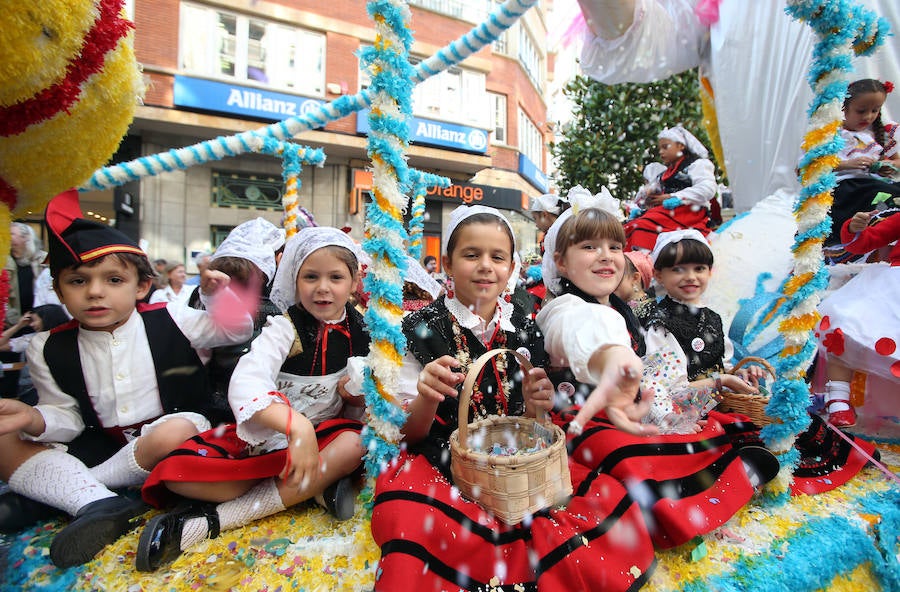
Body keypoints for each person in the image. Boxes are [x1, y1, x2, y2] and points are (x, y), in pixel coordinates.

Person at [371, 204, 657, 592]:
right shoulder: (419, 329)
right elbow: (409, 435)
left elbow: (533, 418)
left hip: (516, 461)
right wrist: (425, 395)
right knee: (416, 517)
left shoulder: (524, 327)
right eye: (471, 255)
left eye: (498, 257)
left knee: (596, 499)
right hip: (443, 458)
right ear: (447, 263)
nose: (486, 266)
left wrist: (539, 403)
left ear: (512, 267)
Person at [0, 189, 254, 567]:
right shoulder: (46, 347)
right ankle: (98, 503)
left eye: (113, 280)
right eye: (78, 281)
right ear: (58, 291)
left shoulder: (172, 317)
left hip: (176, 431)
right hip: (99, 441)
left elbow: (235, 331)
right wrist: (32, 418)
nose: (96, 292)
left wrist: (219, 297)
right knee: (6, 438)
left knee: (173, 432)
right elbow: (66, 417)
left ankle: (76, 488)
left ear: (140, 286)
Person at [136, 227, 371, 572]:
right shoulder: (284, 327)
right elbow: (248, 379)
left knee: (354, 444)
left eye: (335, 277)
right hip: (268, 438)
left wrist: (355, 393)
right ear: (294, 278)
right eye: (311, 276)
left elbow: (362, 399)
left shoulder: (363, 331)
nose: (323, 287)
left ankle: (212, 521)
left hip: (326, 439)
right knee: (177, 477)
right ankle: (315, 490)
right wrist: (294, 425)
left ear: (353, 283)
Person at [644, 230, 765, 384]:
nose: (690, 277)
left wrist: (741, 374)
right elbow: (669, 390)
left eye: (699, 269)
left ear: (709, 272)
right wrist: (723, 381)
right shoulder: (660, 325)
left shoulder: (712, 317)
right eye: (678, 269)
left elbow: (722, 367)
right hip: (684, 408)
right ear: (659, 275)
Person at [818, 208, 900, 427]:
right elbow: (864, 243)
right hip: (892, 286)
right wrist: (855, 229)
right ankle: (838, 399)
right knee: (846, 324)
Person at [825, 79, 900, 250]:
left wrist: (887, 165)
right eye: (861, 111)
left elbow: (897, 161)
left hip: (872, 183)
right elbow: (807, 168)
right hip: (846, 188)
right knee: (881, 194)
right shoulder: (831, 135)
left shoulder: (878, 133)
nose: (868, 116)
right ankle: (865, 239)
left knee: (890, 191)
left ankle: (890, 238)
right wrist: (847, 164)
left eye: (875, 110)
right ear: (844, 108)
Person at [624, 126, 717, 251]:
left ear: (681, 146)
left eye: (665, 147)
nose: (661, 152)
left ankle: (644, 261)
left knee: (640, 225)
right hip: (669, 214)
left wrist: (674, 197)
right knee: (631, 225)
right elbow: (649, 192)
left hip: (689, 214)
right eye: (660, 149)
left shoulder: (697, 165)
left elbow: (707, 189)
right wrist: (647, 196)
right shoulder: (664, 174)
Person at [0, 304, 69, 354]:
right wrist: (19, 326)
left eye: (34, 320)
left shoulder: (72, 336)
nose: (31, 325)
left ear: (47, 320)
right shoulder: (32, 339)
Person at [614, 249, 656, 322]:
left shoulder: (652, 314)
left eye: (617, 277)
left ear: (635, 278)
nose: (611, 282)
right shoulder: (618, 307)